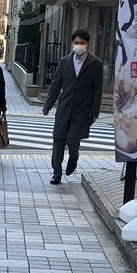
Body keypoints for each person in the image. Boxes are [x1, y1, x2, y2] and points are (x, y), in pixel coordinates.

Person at [43, 29, 103, 185]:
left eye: (82, 43)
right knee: (58, 140)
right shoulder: (64, 62)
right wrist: (47, 105)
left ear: (88, 44)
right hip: (64, 107)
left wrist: (94, 112)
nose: (79, 45)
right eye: (76, 42)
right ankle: (56, 173)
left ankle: (73, 158)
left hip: (82, 110)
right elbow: (56, 84)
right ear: (72, 43)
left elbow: (97, 90)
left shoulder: (95, 64)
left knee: (72, 140)